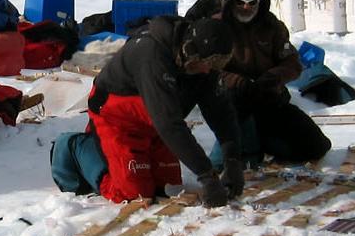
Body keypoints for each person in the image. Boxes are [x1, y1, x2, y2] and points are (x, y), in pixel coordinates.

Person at [51, 15, 245, 206]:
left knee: (169, 187)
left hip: (155, 120)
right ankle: (76, 147)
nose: (206, 71)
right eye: (205, 65)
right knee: (134, 194)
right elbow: (169, 124)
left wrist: (233, 160)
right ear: (189, 50)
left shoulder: (201, 63)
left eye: (213, 66)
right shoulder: (152, 55)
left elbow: (221, 112)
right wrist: (207, 175)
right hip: (116, 118)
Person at [187, 0, 331, 165]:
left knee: (317, 146)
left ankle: (262, 142)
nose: (246, 8)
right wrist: (235, 81)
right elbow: (203, 67)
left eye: (252, 2)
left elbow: (292, 62)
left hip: (268, 97)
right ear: (230, 0)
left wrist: (273, 78)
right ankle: (236, 153)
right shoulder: (215, 27)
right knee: (229, 156)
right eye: (240, 2)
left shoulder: (272, 26)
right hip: (231, 101)